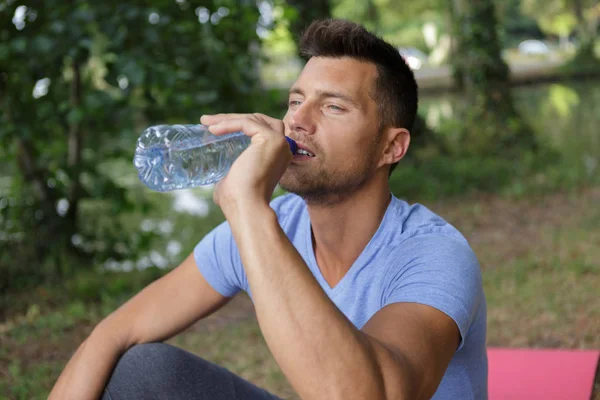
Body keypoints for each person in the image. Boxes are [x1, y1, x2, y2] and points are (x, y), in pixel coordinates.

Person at [49, 19, 487, 400]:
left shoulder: (434, 254)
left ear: (391, 147)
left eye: (333, 107)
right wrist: (252, 216)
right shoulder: (274, 227)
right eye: (296, 101)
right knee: (142, 370)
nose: (298, 121)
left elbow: (372, 395)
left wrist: (245, 206)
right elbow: (112, 334)